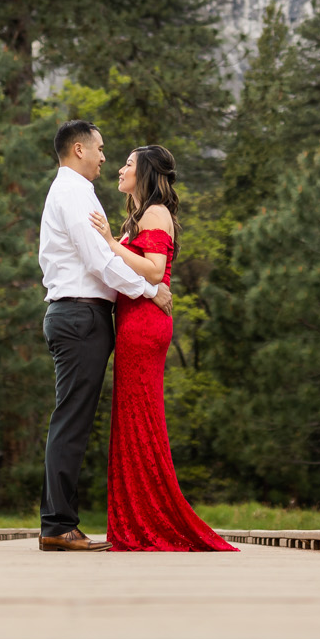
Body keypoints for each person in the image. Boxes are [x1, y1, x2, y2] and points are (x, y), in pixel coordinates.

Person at [91, 144, 236, 552]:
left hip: (144, 325)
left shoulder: (155, 214)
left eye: (129, 165)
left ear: (147, 173)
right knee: (132, 417)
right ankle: (137, 518)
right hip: (136, 321)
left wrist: (108, 241)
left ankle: (152, 518)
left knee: (140, 417)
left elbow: (155, 270)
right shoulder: (140, 216)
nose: (119, 169)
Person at [38, 119, 172, 552]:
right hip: (79, 316)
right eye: (99, 149)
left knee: (72, 419)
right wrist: (151, 290)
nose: (104, 157)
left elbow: (104, 255)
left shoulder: (74, 192)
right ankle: (58, 525)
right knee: (71, 422)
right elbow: (98, 261)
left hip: (81, 316)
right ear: (79, 149)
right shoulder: (74, 193)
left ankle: (60, 522)